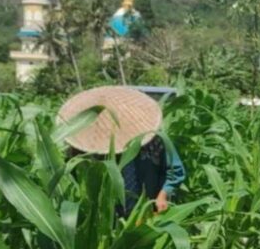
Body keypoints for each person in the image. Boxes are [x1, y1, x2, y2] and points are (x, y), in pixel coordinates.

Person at [57, 85, 185, 215]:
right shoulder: (82, 148)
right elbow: (72, 181)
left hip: (146, 213)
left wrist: (163, 195)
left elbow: (175, 171)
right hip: (102, 219)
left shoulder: (155, 140)